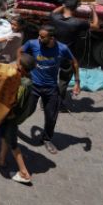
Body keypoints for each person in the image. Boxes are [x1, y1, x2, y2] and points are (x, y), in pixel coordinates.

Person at [21, 24, 80, 154]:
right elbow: (20, 52)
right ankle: (12, 126)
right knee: (27, 111)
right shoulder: (32, 44)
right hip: (34, 86)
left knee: (51, 116)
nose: (39, 38)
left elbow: (74, 62)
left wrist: (77, 82)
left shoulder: (63, 48)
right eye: (39, 36)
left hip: (51, 88)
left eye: (42, 37)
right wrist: (21, 69)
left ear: (52, 38)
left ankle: (47, 139)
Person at [0, 54, 37, 185]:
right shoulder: (27, 78)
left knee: (12, 143)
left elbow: (14, 103)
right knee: (6, 137)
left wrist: (0, 116)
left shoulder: (23, 83)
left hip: (11, 117)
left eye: (17, 64)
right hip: (13, 117)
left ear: (21, 68)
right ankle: (2, 159)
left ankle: (24, 173)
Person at [50, 0, 97, 96]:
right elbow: (96, 25)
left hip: (52, 52)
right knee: (63, 80)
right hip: (67, 56)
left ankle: (47, 100)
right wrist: (93, 10)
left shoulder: (55, 17)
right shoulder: (78, 22)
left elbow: (54, 11)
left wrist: (64, 5)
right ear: (76, 8)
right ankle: (58, 101)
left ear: (65, 6)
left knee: (51, 77)